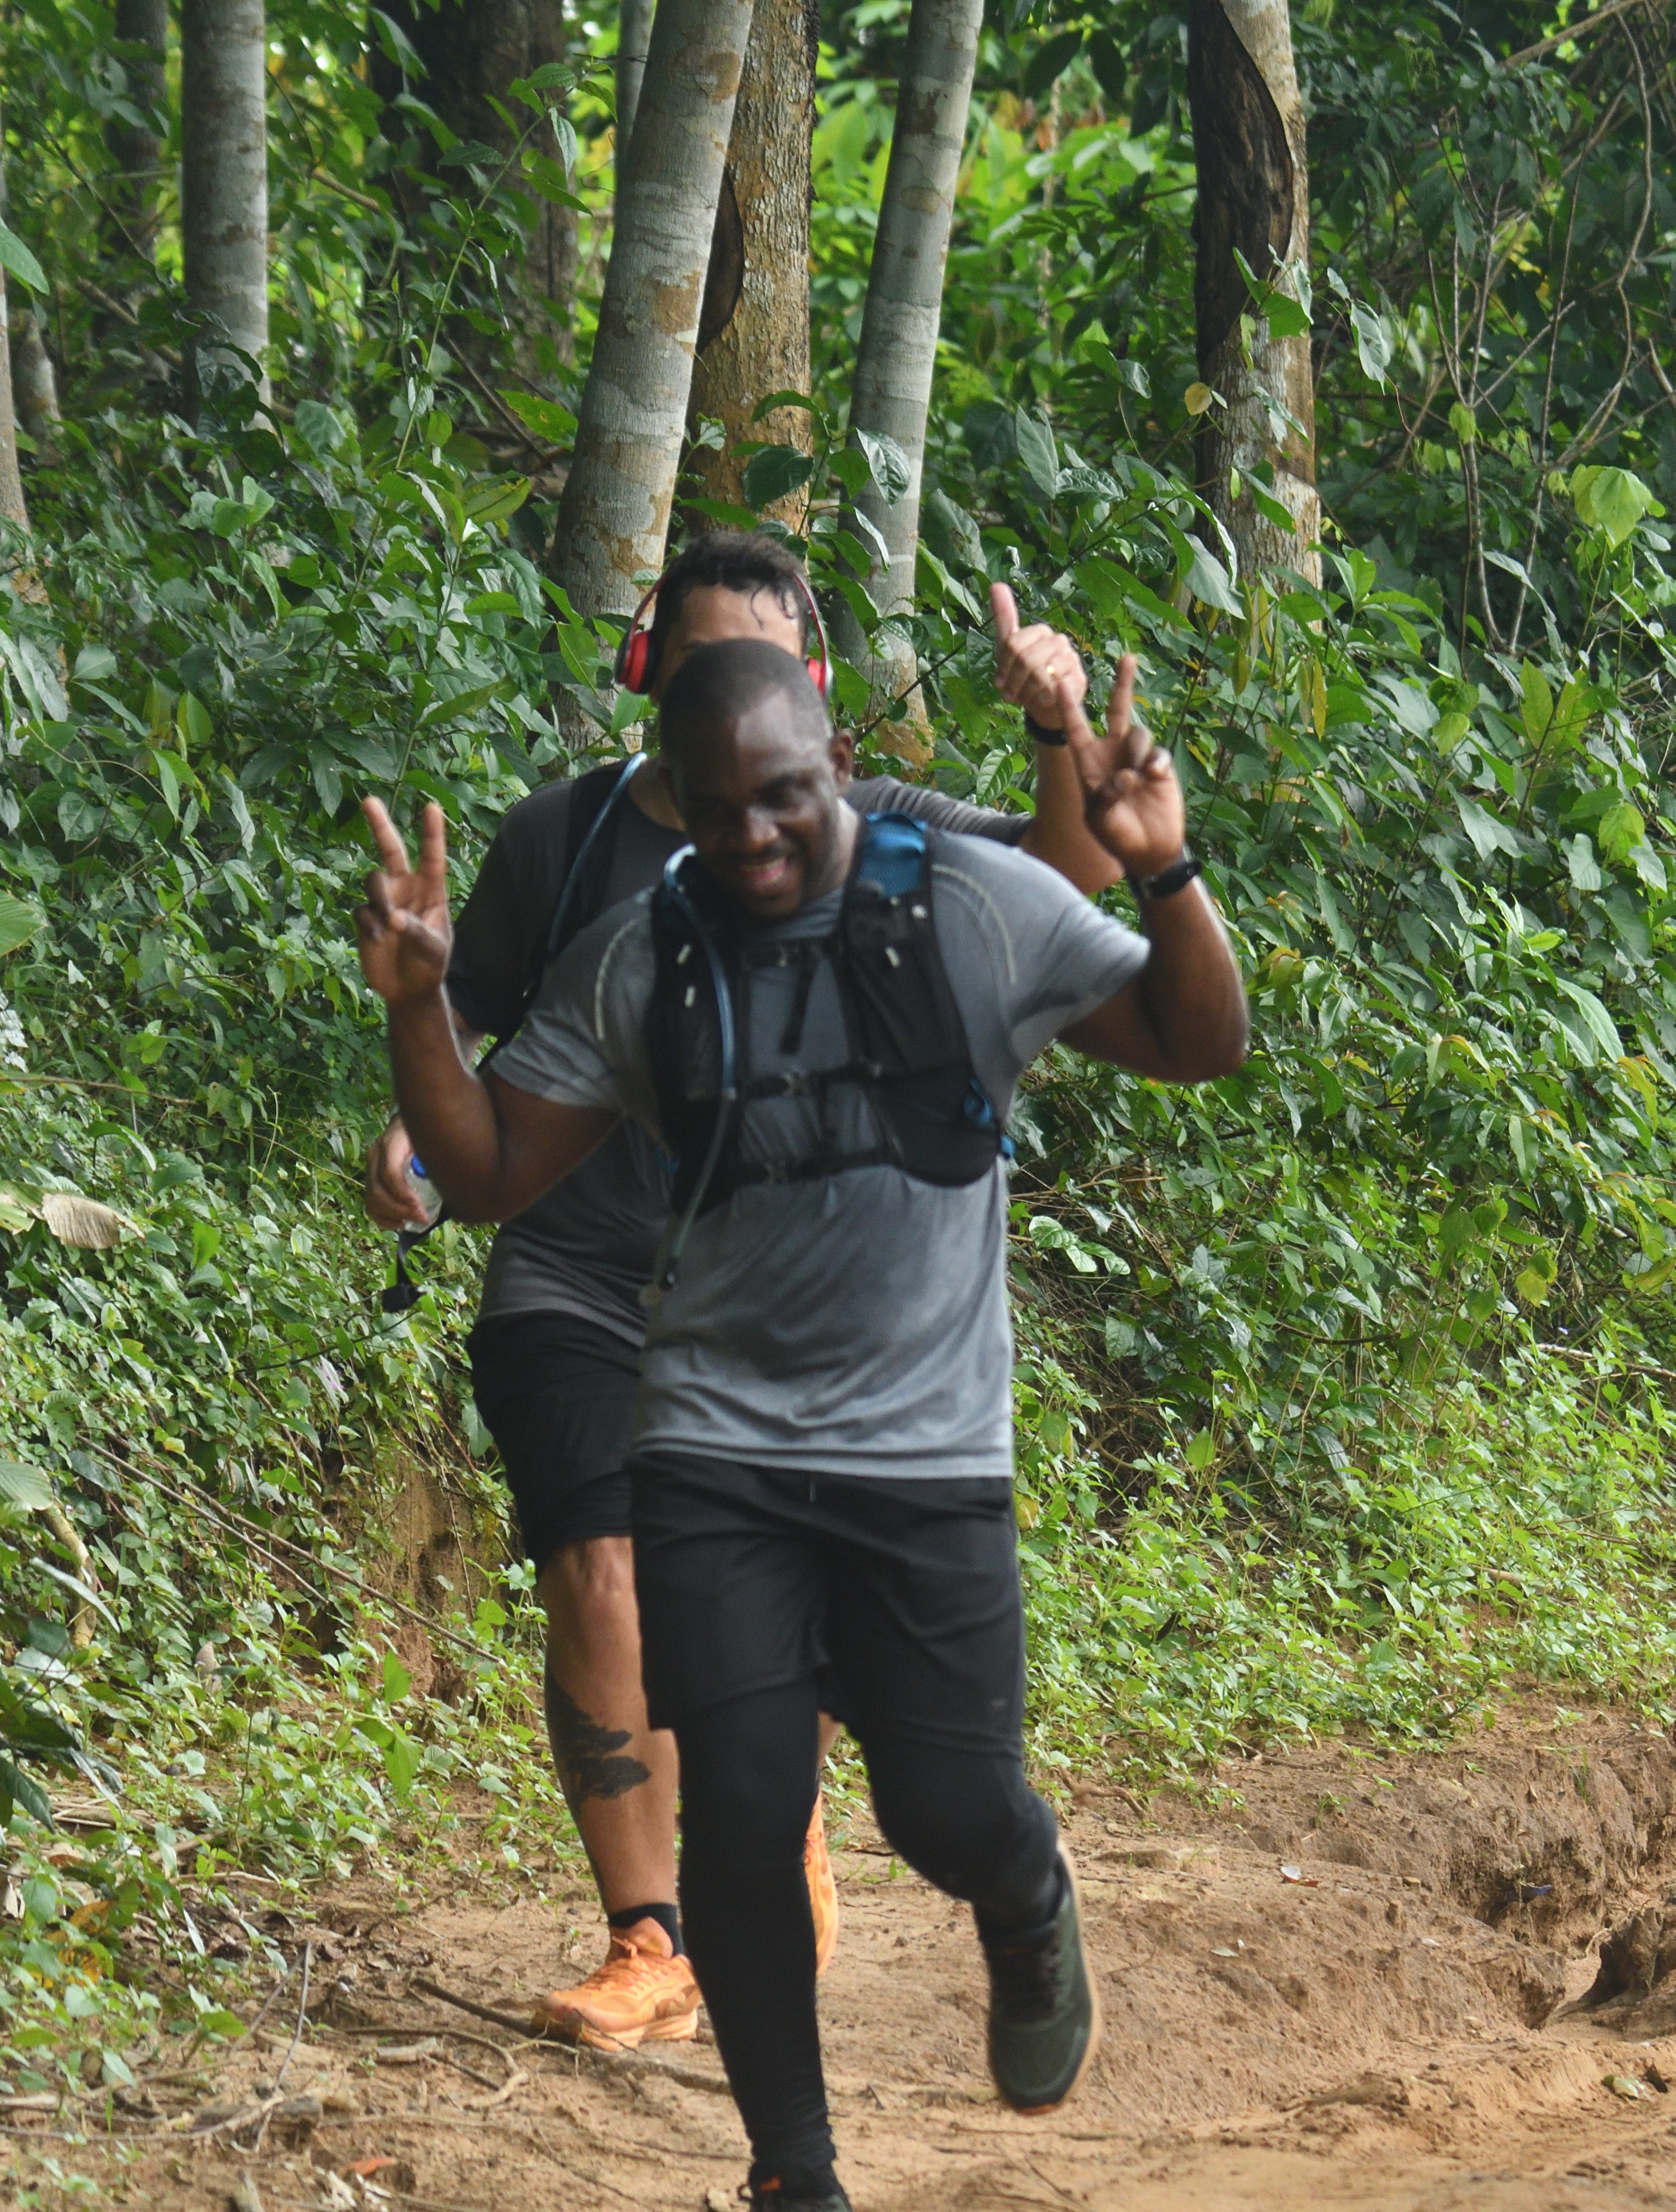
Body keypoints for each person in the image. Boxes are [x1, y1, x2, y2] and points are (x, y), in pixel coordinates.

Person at [355, 630, 1243, 2210]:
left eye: (783, 799)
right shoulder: (645, 957)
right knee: (749, 1808)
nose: (756, 839)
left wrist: (1166, 878)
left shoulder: (972, 905)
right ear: (676, 807)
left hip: (928, 1456)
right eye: (718, 813)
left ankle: (1027, 1890)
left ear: (836, 766)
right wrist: (423, 1009)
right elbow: (490, 1173)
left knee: (946, 1807)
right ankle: (796, 2176)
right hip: (715, 1447)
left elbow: (1196, 1043)